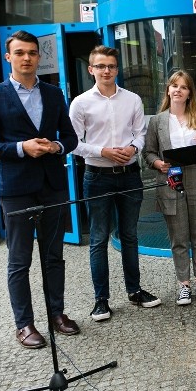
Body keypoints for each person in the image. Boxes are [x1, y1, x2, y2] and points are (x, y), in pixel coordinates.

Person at [0, 30, 81, 349]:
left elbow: (70, 138)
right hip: (16, 189)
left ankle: (57, 314)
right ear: (9, 57)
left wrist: (56, 146)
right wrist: (21, 147)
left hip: (51, 186)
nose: (27, 58)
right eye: (19, 53)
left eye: (32, 52)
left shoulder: (53, 93)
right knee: (20, 260)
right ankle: (24, 324)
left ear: (38, 56)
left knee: (54, 256)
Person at [69, 45, 160, 322]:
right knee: (98, 239)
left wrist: (133, 148)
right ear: (91, 69)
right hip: (97, 178)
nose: (106, 71)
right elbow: (73, 143)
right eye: (100, 66)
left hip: (129, 175)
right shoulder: (80, 103)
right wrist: (102, 151)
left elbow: (140, 133)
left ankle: (134, 291)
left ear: (117, 69)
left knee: (130, 236)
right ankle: (101, 300)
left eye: (111, 66)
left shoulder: (132, 99)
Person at [144, 71, 196, 305]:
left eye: (183, 87)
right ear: (168, 90)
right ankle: (183, 286)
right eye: (174, 86)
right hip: (171, 179)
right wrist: (157, 163)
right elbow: (147, 153)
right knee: (178, 238)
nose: (178, 90)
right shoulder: (157, 121)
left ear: (189, 94)